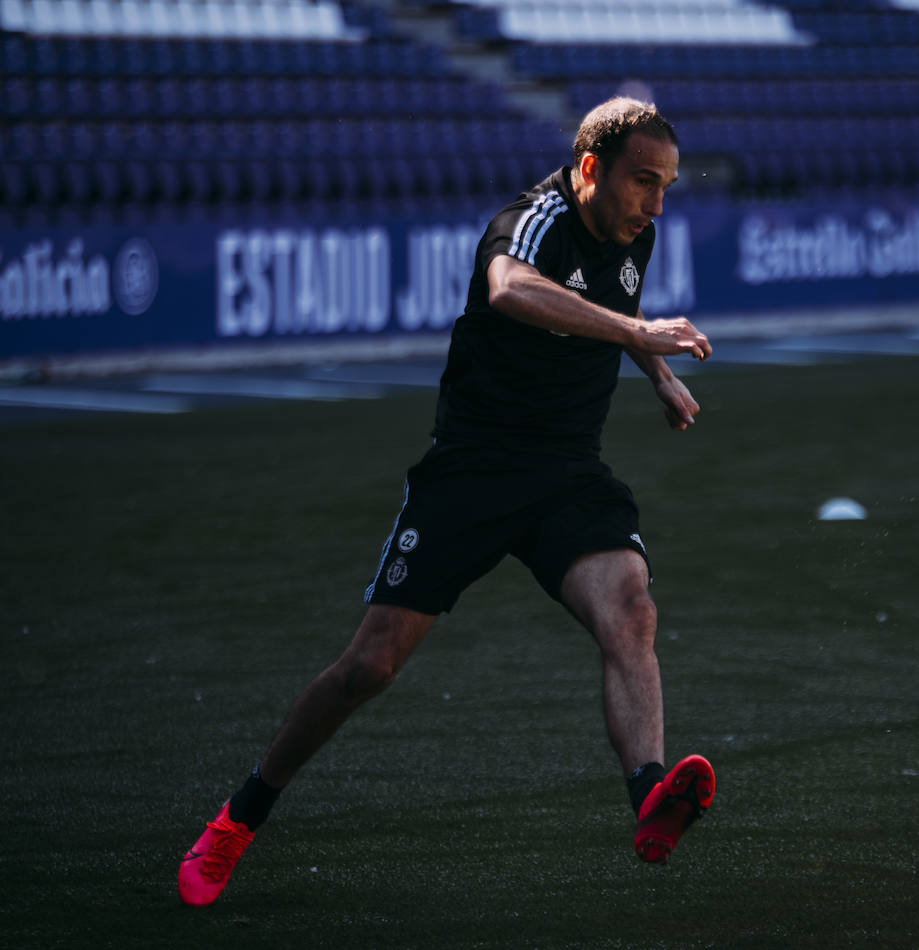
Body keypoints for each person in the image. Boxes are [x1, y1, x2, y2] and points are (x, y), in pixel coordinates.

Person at [178, 97, 716, 907]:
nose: (658, 204)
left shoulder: (634, 229)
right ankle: (239, 816)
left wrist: (659, 373)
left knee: (631, 609)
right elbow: (510, 289)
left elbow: (622, 309)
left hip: (568, 470)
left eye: (668, 185)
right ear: (591, 169)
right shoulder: (531, 221)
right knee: (369, 667)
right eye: (645, 182)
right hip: (472, 472)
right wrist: (639, 341)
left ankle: (648, 792)